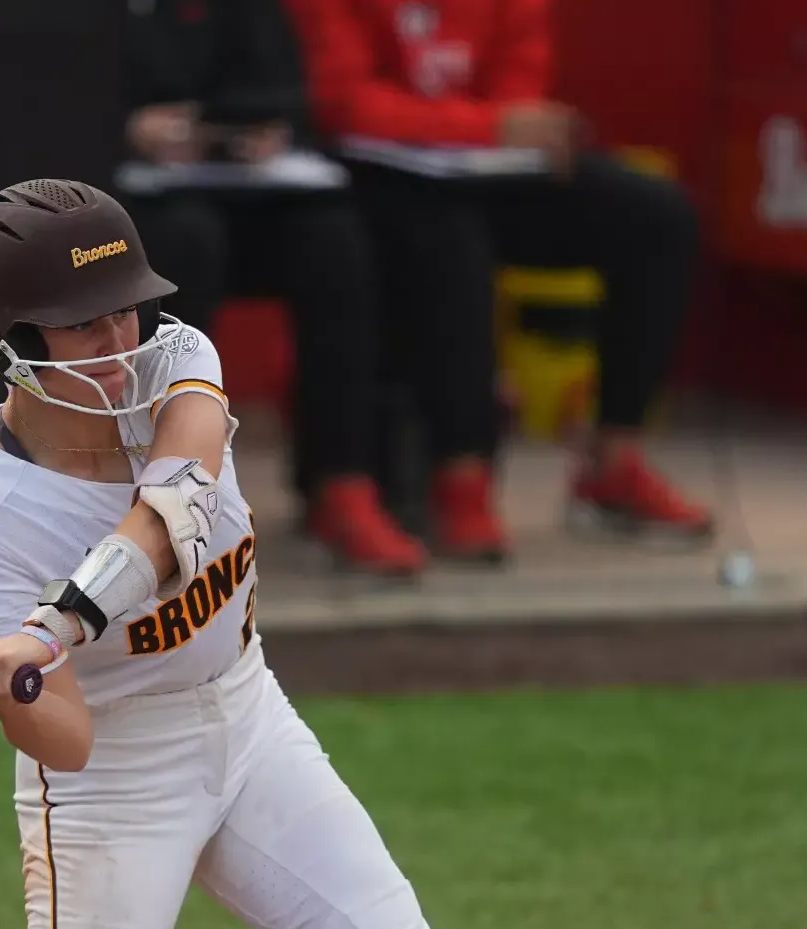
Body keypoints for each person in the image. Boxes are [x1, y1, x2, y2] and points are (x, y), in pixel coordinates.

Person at [0, 179, 540, 929]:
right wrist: (3, 681)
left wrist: (49, 628)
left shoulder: (181, 363)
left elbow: (171, 518)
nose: (120, 347)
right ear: (12, 346)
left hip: (251, 722)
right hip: (114, 787)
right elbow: (67, 740)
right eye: (84, 329)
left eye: (127, 311)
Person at [284, 0, 716, 563]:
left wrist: (509, 128)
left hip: (483, 163)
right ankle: (462, 480)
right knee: (451, 234)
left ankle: (612, 463)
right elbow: (342, 103)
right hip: (377, 178)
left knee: (658, 217)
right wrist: (485, 126)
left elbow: (519, 83)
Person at [122, 0, 427, 576]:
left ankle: (340, 481)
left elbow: (293, 94)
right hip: (140, 199)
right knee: (187, 245)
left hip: (249, 190)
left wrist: (266, 130)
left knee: (333, 242)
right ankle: (166, 495)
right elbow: (41, 93)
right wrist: (128, 129)